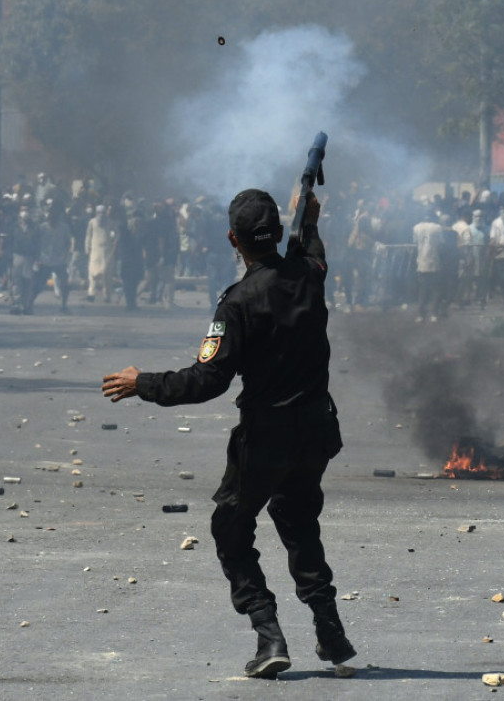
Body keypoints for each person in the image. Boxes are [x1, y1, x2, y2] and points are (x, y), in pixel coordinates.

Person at [102, 189, 355, 679]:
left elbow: (206, 381)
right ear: (278, 234)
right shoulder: (310, 277)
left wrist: (143, 383)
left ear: (231, 240)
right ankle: (331, 631)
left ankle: (268, 634)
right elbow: (310, 249)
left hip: (266, 438)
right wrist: (310, 219)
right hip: (315, 432)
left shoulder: (237, 303)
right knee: (299, 523)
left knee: (231, 528)